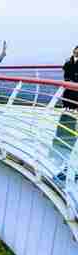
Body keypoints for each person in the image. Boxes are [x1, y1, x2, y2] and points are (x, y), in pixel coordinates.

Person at [52, 47, 78, 184]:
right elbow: (66, 72)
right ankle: (70, 169)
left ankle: (71, 170)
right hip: (69, 90)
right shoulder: (68, 62)